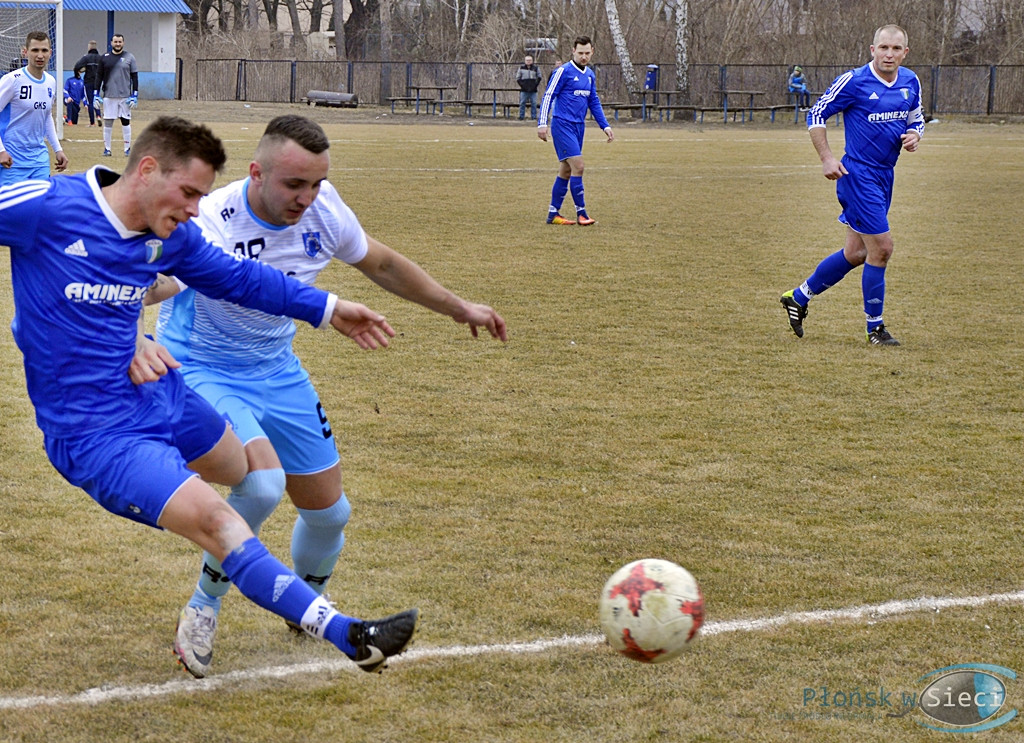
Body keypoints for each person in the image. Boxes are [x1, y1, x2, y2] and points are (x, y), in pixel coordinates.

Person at [0, 115, 419, 677]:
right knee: (219, 522)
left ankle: (213, 553)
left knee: (247, 472)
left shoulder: (170, 236)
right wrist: (35, 330)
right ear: (147, 170)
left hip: (161, 394)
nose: (197, 209)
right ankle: (344, 633)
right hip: (97, 434)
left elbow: (241, 279)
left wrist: (327, 308)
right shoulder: (48, 207)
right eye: (190, 192)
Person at [141, 114, 506, 678]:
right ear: (257, 173)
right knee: (260, 486)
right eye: (294, 184)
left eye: (316, 183)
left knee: (331, 514)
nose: (307, 198)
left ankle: (304, 607)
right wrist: (135, 289)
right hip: (204, 366)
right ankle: (202, 607)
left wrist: (460, 308)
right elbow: (167, 278)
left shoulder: (325, 209)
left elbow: (380, 262)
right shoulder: (213, 218)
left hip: (277, 368)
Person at [780, 25, 924, 347]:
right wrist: (827, 158)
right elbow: (816, 113)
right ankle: (876, 329)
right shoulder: (854, 80)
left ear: (905, 52)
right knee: (882, 249)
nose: (889, 54)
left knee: (856, 252)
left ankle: (798, 297)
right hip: (858, 176)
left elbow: (917, 118)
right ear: (872, 49)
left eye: (896, 49)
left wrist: (915, 135)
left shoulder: (911, 81)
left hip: (885, 176)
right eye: (883, 47)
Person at [537, 36, 613, 226]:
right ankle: (582, 213)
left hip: (579, 127)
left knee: (566, 170)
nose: (584, 57)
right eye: (580, 53)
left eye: (587, 53)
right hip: (562, 125)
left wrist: (605, 125)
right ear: (573, 51)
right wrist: (542, 123)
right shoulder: (563, 72)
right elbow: (548, 96)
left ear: (592, 51)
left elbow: (593, 101)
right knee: (578, 166)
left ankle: (553, 214)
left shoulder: (590, 74)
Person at [0, 31, 68, 186]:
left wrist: (58, 149)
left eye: (44, 50)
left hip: (40, 161)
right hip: (12, 161)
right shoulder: (12, 80)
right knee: (12, 209)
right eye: (35, 50)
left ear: (50, 53)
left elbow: (46, 117)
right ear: (25, 52)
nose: (40, 55)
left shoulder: (50, 81)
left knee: (40, 207)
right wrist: (0, 151)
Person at [95, 33, 138, 156]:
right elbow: (99, 77)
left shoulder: (130, 57)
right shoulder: (104, 58)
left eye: (120, 42)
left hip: (125, 96)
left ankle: (127, 149)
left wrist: (135, 95)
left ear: (123, 43)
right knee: (108, 122)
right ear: (111, 43)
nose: (118, 44)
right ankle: (107, 149)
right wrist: (96, 94)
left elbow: (134, 76)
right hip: (109, 95)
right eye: (115, 41)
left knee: (126, 122)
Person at [73, 40, 101, 126]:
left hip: (88, 81)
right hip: (98, 82)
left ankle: (92, 122)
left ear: (89, 47)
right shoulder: (100, 58)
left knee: (90, 102)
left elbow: (77, 66)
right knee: (96, 99)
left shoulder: (86, 58)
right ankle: (99, 116)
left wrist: (78, 73)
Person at [516, 55, 541, 121]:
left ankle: (534, 117)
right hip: (524, 90)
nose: (528, 62)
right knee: (522, 103)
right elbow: (518, 78)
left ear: (532, 61)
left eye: (530, 60)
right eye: (527, 60)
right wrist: (523, 85)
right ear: (525, 61)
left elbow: (539, 77)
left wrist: (535, 85)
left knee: (534, 103)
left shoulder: (536, 68)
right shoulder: (521, 68)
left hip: (533, 90)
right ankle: (521, 116)